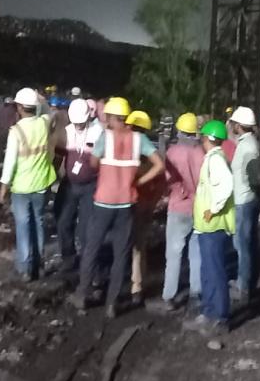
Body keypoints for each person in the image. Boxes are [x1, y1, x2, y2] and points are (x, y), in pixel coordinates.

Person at [71, 96, 163, 319]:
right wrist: (138, 181)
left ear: (112, 117)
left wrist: (104, 164)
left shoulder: (106, 137)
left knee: (91, 248)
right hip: (126, 203)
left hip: (103, 202)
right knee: (121, 254)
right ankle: (112, 304)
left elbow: (93, 163)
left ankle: (82, 296)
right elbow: (159, 165)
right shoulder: (139, 139)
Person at [0, 87, 56, 280]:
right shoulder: (43, 123)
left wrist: (3, 188)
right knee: (38, 223)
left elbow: (10, 163)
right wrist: (41, 99)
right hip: (41, 185)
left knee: (23, 226)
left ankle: (25, 267)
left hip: (21, 187)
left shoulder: (16, 131)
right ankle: (39, 265)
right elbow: (49, 111)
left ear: (20, 107)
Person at [186, 120, 235, 334]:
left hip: (214, 226)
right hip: (206, 227)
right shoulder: (213, 159)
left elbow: (226, 186)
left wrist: (213, 209)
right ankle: (209, 312)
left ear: (208, 139)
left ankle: (220, 317)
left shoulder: (216, 161)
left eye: (203, 138)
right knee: (207, 271)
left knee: (215, 271)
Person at [161, 112, 204, 309]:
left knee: (174, 253)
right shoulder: (200, 153)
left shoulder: (173, 152)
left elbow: (167, 180)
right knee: (196, 252)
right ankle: (196, 292)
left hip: (178, 206)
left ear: (179, 130)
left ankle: (169, 296)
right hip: (198, 207)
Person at [54, 97, 100, 278]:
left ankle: (88, 264)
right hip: (70, 184)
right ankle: (68, 257)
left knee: (85, 229)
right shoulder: (66, 132)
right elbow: (58, 157)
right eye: (76, 123)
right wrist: (52, 178)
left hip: (91, 185)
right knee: (63, 220)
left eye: (82, 123)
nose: (79, 126)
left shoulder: (98, 133)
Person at [126, 110, 166, 308]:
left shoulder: (125, 148)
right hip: (146, 204)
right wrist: (154, 201)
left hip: (127, 203)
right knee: (139, 245)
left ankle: (123, 282)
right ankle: (137, 286)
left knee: (125, 243)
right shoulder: (152, 154)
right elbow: (161, 182)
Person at [229, 105, 260, 301]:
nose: (231, 125)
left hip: (244, 200)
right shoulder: (249, 142)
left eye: (233, 123)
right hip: (248, 198)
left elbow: (254, 176)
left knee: (243, 244)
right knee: (248, 243)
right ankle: (248, 281)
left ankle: (243, 286)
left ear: (239, 125)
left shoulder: (247, 146)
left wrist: (251, 189)